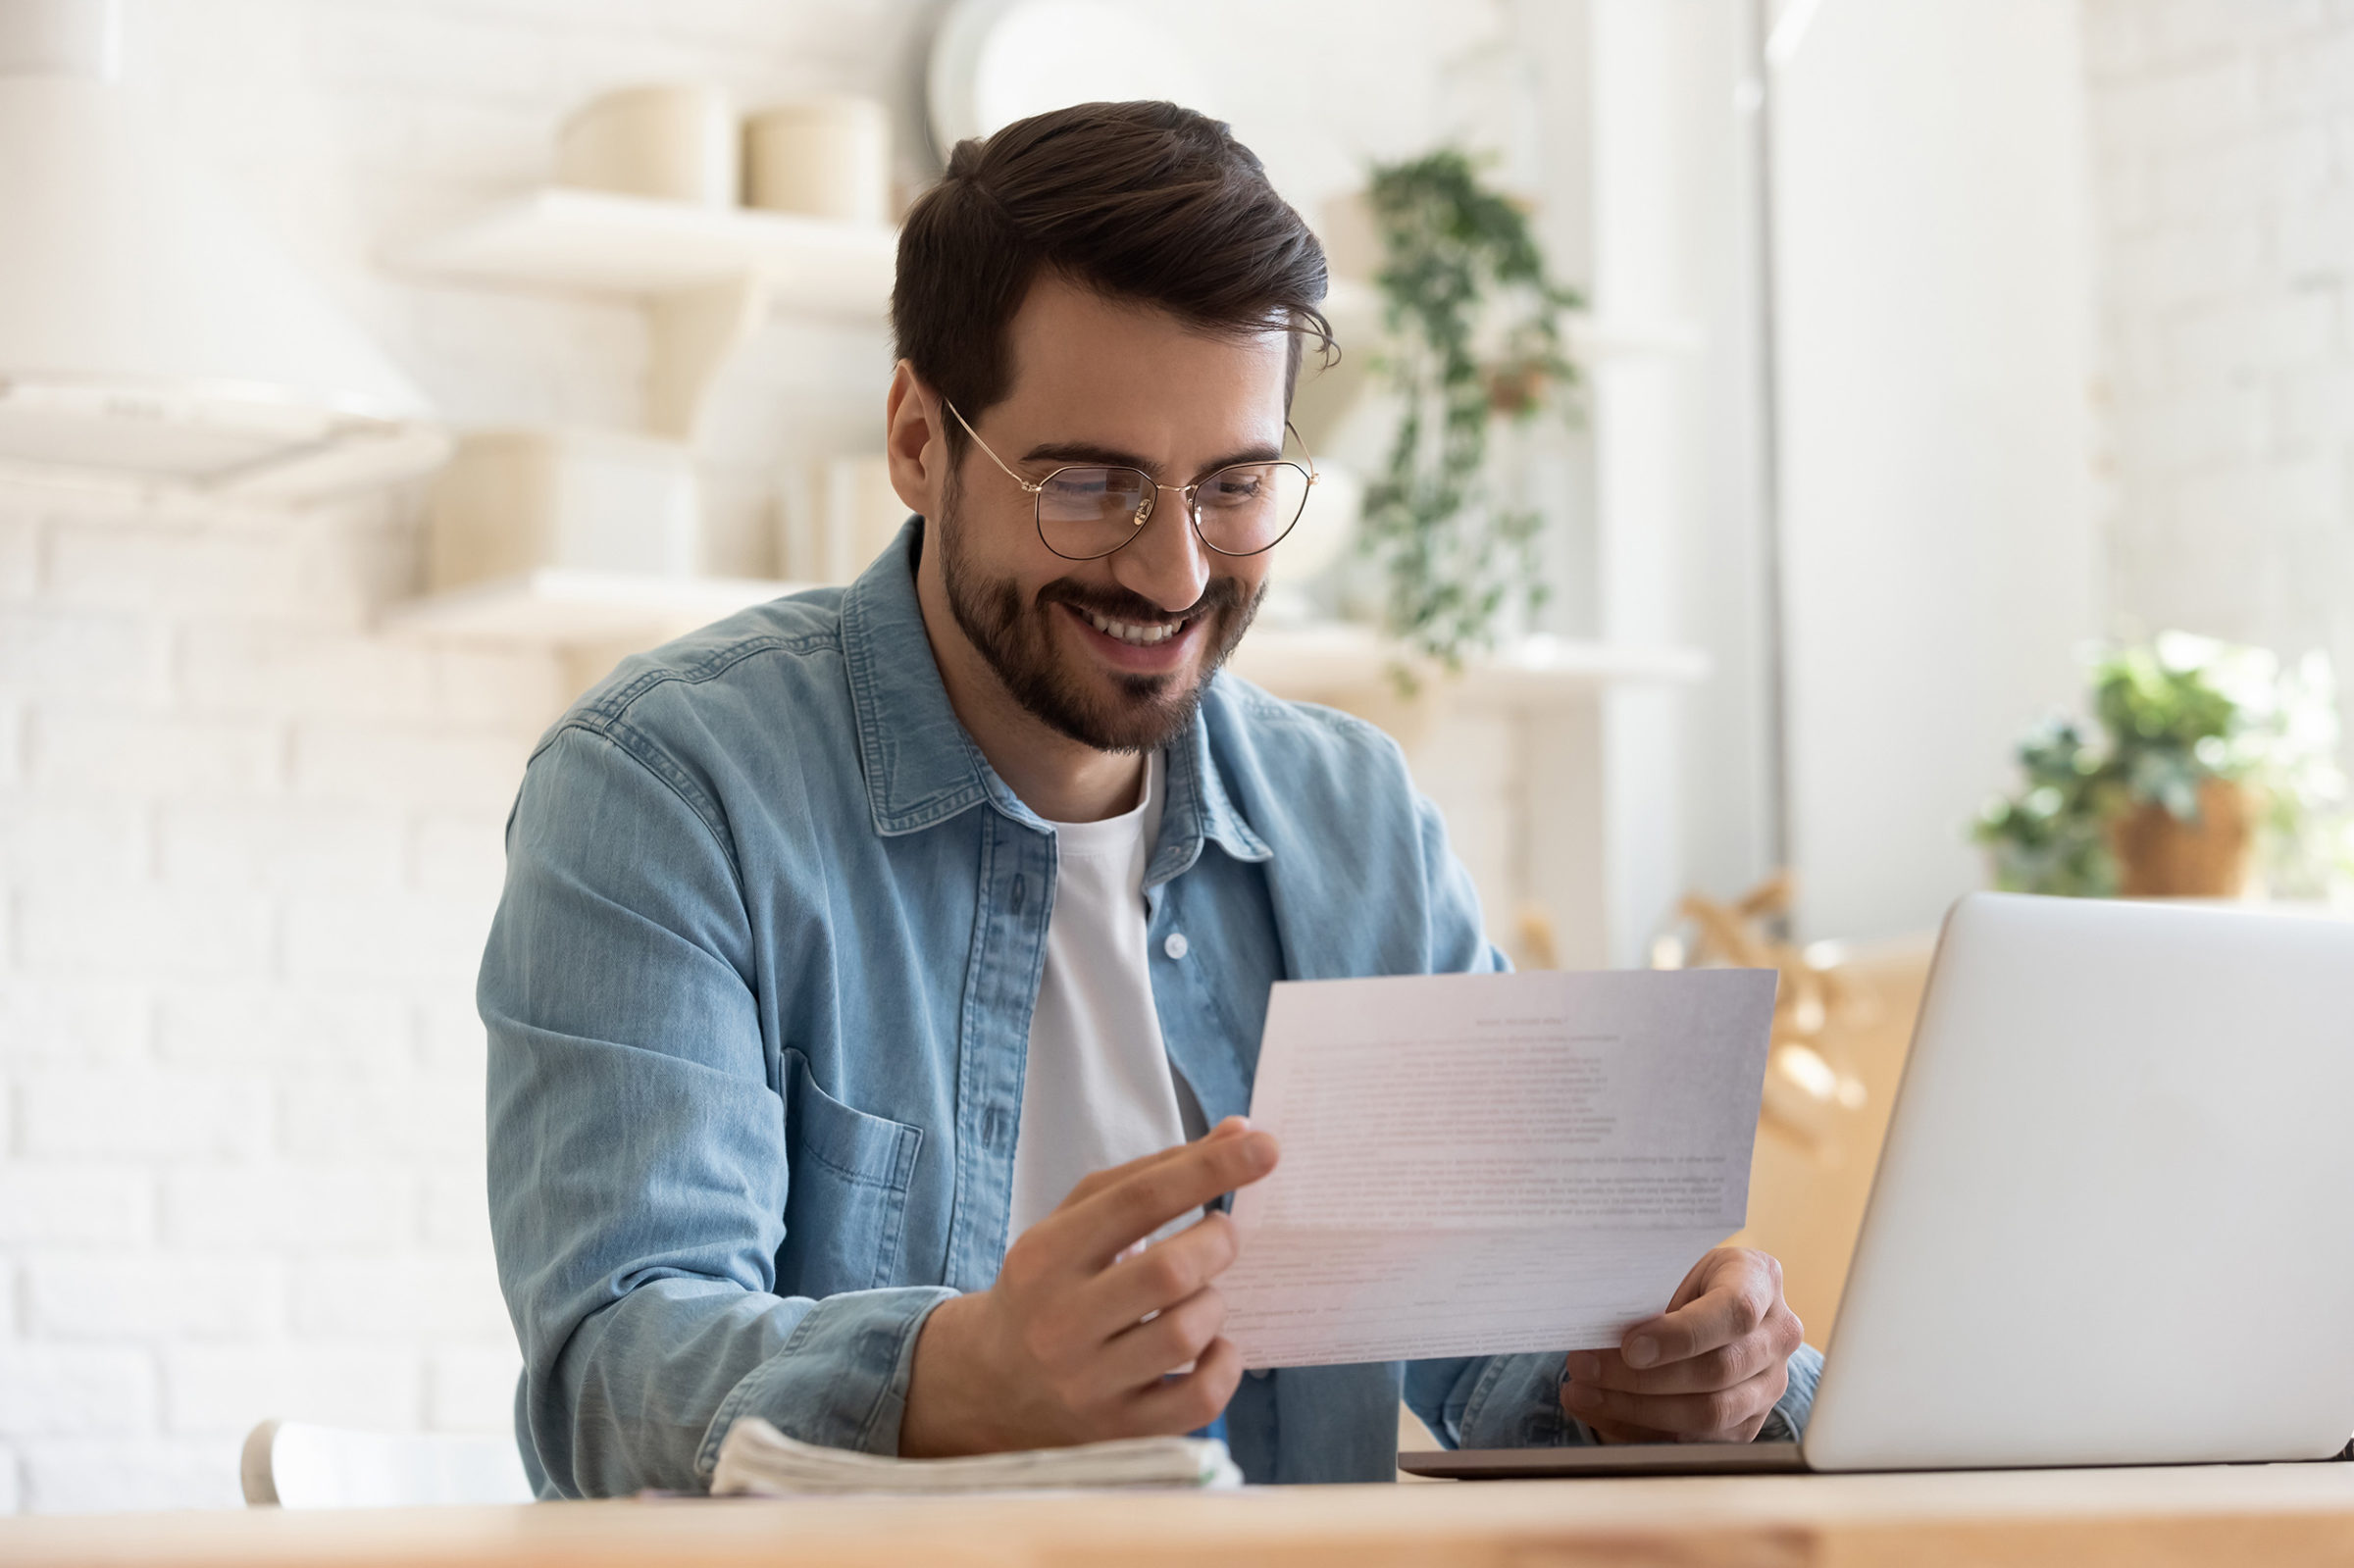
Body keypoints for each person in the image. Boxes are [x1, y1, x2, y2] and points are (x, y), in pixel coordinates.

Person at [482, 100, 1818, 1496]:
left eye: (1232, 486)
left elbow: (1493, 1339)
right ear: (917, 438)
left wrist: (1680, 1374)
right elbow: (611, 1375)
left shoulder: (1351, 820)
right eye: (1092, 484)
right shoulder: (668, 791)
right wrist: (956, 1380)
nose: (1174, 574)